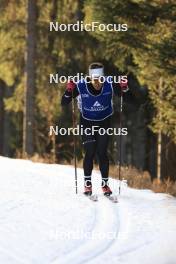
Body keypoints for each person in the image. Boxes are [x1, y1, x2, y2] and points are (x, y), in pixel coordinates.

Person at [61, 62, 136, 196]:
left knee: (102, 153)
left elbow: (130, 100)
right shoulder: (81, 85)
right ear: (90, 78)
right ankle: (88, 184)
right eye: (95, 80)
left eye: (100, 79)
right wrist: (68, 90)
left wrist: (125, 89)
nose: (98, 83)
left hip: (104, 123)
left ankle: (105, 185)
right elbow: (64, 102)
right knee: (90, 152)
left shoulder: (110, 84)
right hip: (87, 123)